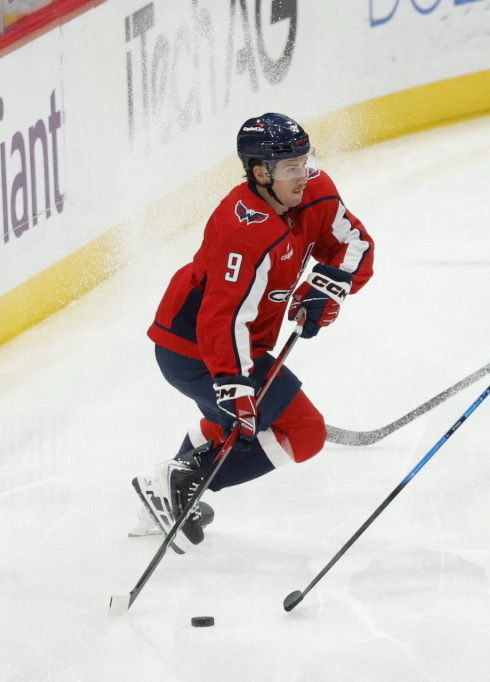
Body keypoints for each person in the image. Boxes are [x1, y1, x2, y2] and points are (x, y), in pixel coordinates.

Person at [130, 112, 375, 552]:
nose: (303, 175)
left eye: (304, 161)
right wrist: (234, 384)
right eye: (290, 168)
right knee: (304, 432)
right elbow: (221, 318)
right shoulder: (243, 231)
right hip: (196, 348)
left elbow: (354, 243)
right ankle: (182, 485)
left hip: (234, 343)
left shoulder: (314, 190)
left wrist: (328, 285)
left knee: (227, 424)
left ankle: (163, 495)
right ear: (261, 173)